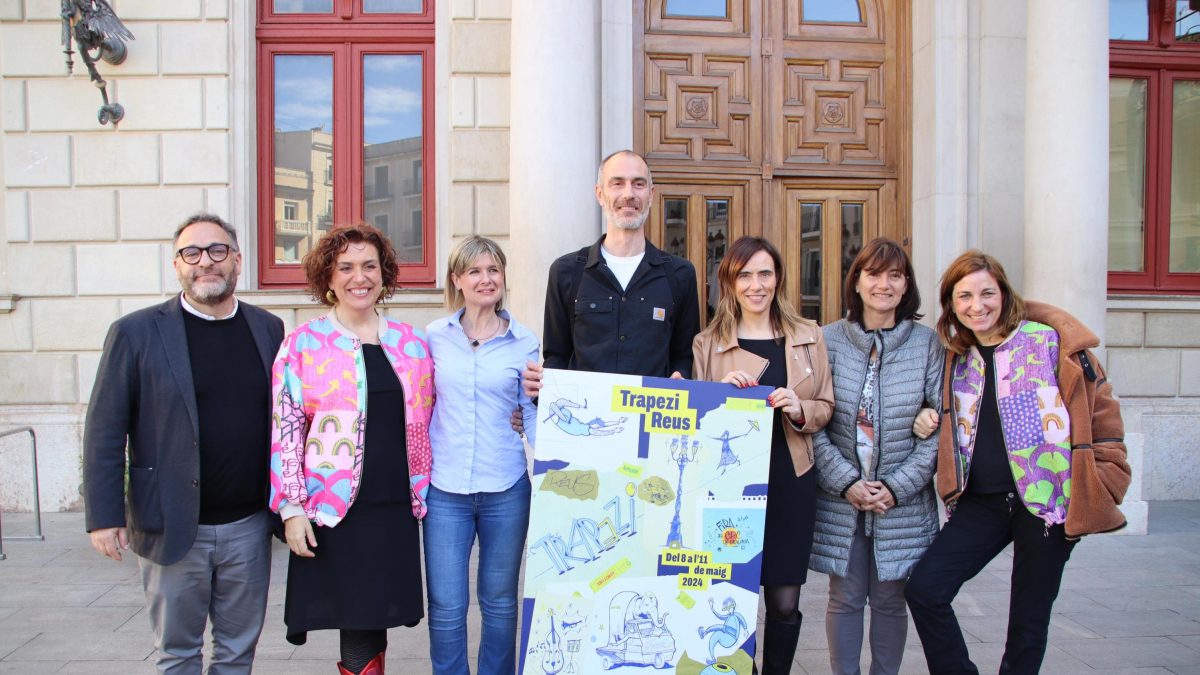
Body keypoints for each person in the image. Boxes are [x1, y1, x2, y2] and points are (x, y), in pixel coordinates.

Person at [905, 249, 1132, 675]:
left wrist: (1103, 478)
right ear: (951, 305)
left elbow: (1101, 410)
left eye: (987, 293)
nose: (978, 306)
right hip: (980, 505)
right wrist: (925, 415)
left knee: (1028, 621)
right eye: (965, 296)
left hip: (1048, 505)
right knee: (925, 589)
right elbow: (940, 411)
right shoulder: (955, 357)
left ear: (1004, 294)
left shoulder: (1050, 343)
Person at [83, 213, 284, 674]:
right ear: (177, 265)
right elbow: (105, 429)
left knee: (237, 653)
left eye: (216, 251)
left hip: (249, 527)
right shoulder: (135, 332)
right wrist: (104, 516)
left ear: (236, 260)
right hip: (172, 526)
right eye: (191, 253)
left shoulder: (267, 328)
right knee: (177, 655)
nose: (204, 263)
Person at [270, 223, 434, 675]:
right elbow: (285, 431)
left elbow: (434, 416)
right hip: (334, 509)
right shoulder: (302, 345)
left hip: (395, 507)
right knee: (356, 621)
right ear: (328, 277)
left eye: (369, 266)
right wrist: (291, 508)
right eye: (345, 267)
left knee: (377, 618)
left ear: (384, 275)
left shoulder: (412, 344)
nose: (358, 277)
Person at [691, 236, 834, 675]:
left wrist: (799, 409)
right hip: (730, 487)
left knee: (785, 601)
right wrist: (719, 394)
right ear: (730, 282)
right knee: (730, 592)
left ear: (779, 278)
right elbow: (694, 421)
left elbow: (827, 406)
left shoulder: (809, 336)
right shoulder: (708, 343)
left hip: (791, 478)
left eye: (765, 273)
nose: (756, 284)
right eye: (745, 274)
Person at [808, 238, 943, 675]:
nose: (883, 284)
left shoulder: (928, 344)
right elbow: (814, 423)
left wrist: (897, 487)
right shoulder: (825, 339)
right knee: (845, 597)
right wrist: (847, 483)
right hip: (841, 497)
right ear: (857, 282)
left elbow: (941, 428)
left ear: (907, 287)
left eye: (895, 275)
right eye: (873, 273)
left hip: (901, 502)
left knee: (890, 600)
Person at [424, 236, 540, 675]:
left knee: (499, 602)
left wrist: (554, 467)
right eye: (474, 271)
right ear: (457, 279)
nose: (485, 279)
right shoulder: (434, 337)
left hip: (506, 488)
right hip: (445, 491)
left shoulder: (524, 341)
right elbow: (419, 406)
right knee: (447, 606)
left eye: (493, 270)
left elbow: (529, 412)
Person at [520, 150, 701, 399]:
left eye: (638, 184)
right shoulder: (566, 272)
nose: (628, 194)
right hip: (587, 425)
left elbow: (683, 354)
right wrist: (542, 393)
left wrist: (682, 377)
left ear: (651, 194)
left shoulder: (680, 274)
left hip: (652, 427)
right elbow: (557, 356)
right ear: (600, 194)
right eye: (617, 183)